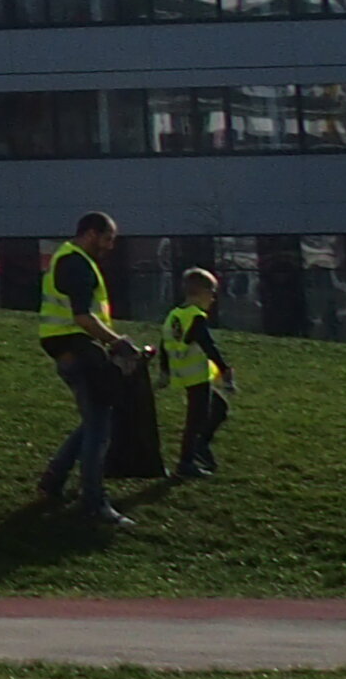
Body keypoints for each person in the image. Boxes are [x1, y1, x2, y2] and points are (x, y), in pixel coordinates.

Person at [33, 210, 146, 531]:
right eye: (108, 239)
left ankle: (54, 480)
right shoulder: (78, 263)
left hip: (68, 348)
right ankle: (94, 503)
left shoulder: (68, 258)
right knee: (99, 427)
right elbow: (83, 316)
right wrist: (118, 342)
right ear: (92, 233)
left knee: (94, 419)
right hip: (78, 348)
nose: (110, 246)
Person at [160, 268, 234, 481]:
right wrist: (224, 369)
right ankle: (186, 461)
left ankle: (198, 448)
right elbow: (208, 345)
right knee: (196, 420)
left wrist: (165, 371)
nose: (213, 298)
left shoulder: (174, 315)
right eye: (211, 293)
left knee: (219, 408)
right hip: (196, 376)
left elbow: (164, 344)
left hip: (183, 373)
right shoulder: (196, 317)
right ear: (201, 292)